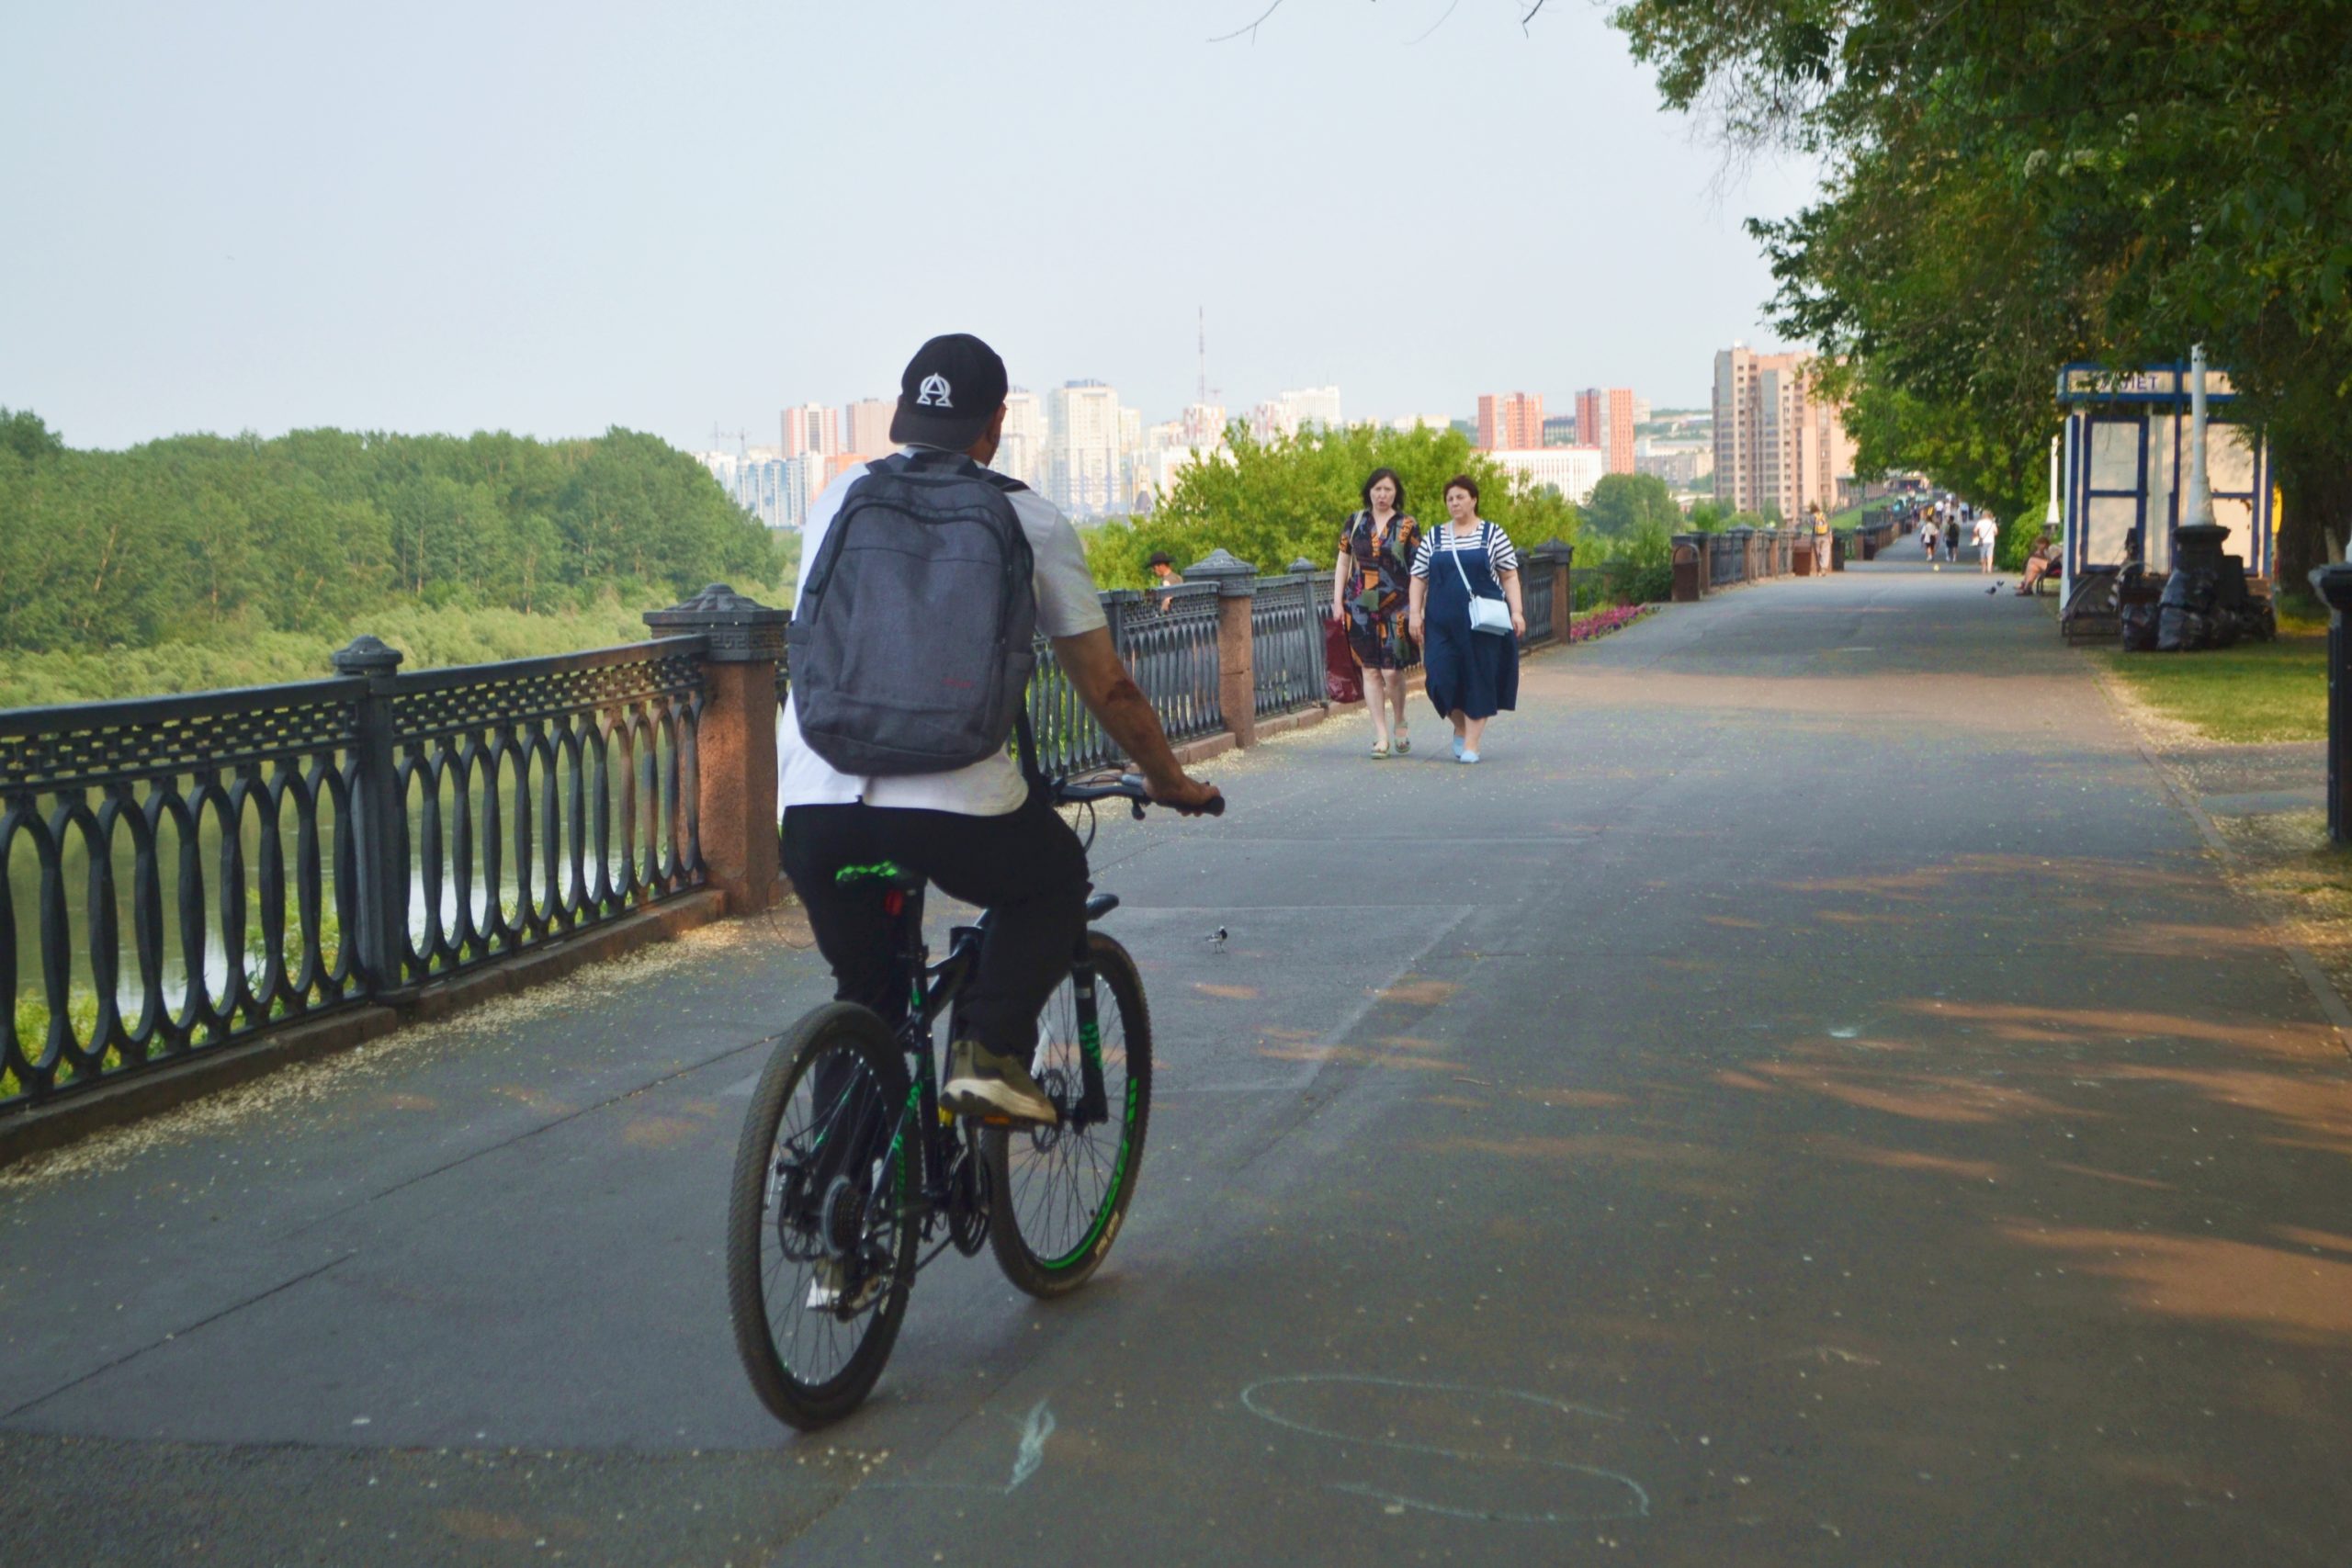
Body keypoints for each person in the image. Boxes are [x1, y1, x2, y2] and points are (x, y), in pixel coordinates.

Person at [778, 333, 1220, 1126]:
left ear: (904, 416)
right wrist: (1166, 776)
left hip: (816, 801)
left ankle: (838, 1224)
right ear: (996, 424)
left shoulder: (836, 498)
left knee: (869, 994)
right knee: (1052, 880)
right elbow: (1106, 683)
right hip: (954, 802)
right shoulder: (1027, 517)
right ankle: (986, 1055)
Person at [1408, 475, 1523, 764]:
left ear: (1473, 499)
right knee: (1439, 679)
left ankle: (1471, 743)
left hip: (1482, 624)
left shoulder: (1493, 534)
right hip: (1441, 623)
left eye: (1460, 497)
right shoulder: (1434, 537)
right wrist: (1414, 613)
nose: (1455, 502)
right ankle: (1460, 726)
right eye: (1450, 498)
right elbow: (1418, 577)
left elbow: (1509, 575)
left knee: (1479, 679)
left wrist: (1517, 611)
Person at [1330, 468, 1421, 757]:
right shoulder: (1355, 522)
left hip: (1398, 604)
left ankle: (1400, 720)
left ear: (1396, 493)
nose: (1382, 495)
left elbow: (1419, 570)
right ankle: (1381, 735)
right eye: (1377, 489)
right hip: (1359, 605)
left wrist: (1419, 608)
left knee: (1392, 671)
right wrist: (1337, 601)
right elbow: (1343, 563)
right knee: (1369, 669)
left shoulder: (1407, 525)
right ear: (1369, 491)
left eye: (1388, 490)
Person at [1972, 510, 1999, 574]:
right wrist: (1992, 534)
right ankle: (1989, 568)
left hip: (1983, 541)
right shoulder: (1992, 523)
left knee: (1983, 555)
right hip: (1991, 540)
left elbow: (1975, 530)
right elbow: (1996, 532)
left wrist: (1978, 535)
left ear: (1983, 515)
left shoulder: (1980, 522)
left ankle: (1984, 568)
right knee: (1990, 555)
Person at [1808, 502, 1832, 571]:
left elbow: (1811, 527)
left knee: (1817, 553)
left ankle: (1819, 568)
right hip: (1825, 536)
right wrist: (1830, 536)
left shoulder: (1811, 517)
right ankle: (1823, 568)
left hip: (1816, 537)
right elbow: (1828, 526)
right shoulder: (1823, 515)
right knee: (1825, 552)